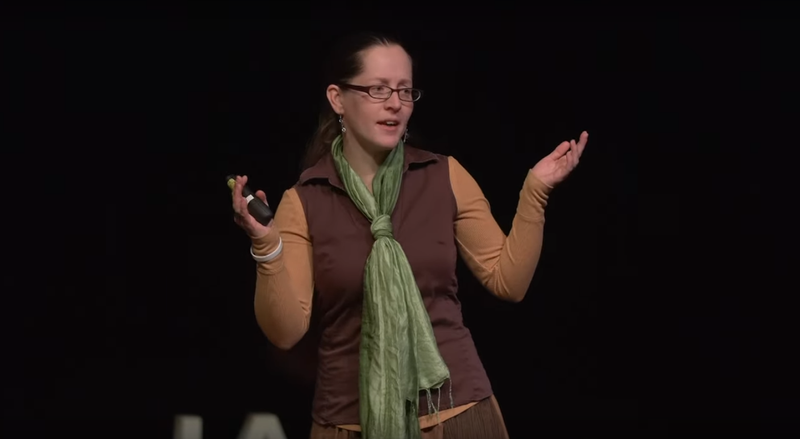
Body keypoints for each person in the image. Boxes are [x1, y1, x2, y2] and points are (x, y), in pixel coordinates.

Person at [230, 31, 588, 439]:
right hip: (349, 422)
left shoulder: (443, 175)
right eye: (377, 89)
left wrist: (535, 193)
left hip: (456, 413)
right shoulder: (306, 199)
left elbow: (508, 280)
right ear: (337, 98)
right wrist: (266, 245)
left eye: (405, 90)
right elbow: (285, 331)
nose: (395, 103)